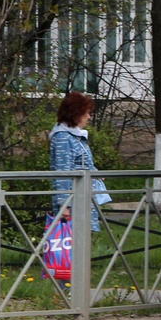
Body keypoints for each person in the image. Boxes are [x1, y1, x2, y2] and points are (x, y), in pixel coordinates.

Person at [50, 91, 109, 231]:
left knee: (81, 246)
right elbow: (63, 172)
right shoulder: (63, 138)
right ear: (76, 114)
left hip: (82, 199)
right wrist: (64, 205)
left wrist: (94, 172)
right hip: (73, 204)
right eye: (86, 112)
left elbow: (81, 163)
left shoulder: (75, 136)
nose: (88, 117)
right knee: (73, 247)